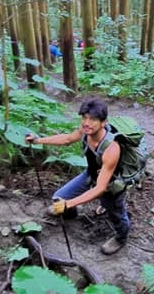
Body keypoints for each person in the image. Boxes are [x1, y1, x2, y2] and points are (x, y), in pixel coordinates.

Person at [24, 98, 130, 255]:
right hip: (91, 174)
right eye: (84, 118)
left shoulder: (111, 149)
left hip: (112, 185)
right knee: (58, 197)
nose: (87, 123)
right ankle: (72, 213)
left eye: (93, 119)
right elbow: (66, 139)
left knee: (116, 214)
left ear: (103, 122)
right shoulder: (85, 131)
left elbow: (101, 188)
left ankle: (121, 237)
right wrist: (38, 140)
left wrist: (69, 203)